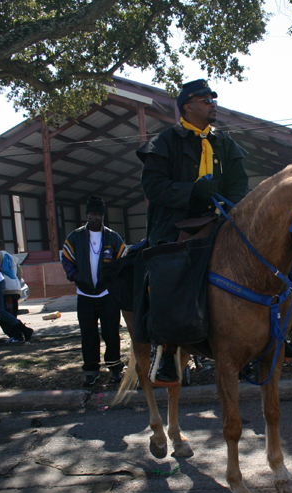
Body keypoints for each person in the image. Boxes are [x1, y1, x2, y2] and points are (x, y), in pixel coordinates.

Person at [136, 78, 250, 383]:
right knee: (168, 271)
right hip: (176, 225)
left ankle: (277, 336)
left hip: (221, 221)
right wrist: (192, 191)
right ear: (188, 105)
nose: (213, 103)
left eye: (214, 98)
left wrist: (231, 205)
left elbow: (240, 184)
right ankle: (165, 348)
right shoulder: (164, 143)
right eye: (206, 99)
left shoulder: (225, 143)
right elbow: (153, 186)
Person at [61, 196, 127, 386]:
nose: (97, 218)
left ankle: (115, 369)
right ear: (87, 215)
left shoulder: (113, 237)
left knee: (111, 333)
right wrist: (74, 276)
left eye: (100, 214)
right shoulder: (75, 237)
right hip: (84, 294)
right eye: (94, 214)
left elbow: (122, 260)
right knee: (88, 334)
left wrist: (113, 283)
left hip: (107, 295)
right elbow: (67, 259)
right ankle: (91, 371)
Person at [0, 240, 24, 343]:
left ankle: (17, 335)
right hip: (16, 289)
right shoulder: (13, 258)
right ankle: (16, 336)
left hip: (6, 289)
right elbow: (19, 274)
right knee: (12, 314)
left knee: (5, 316)